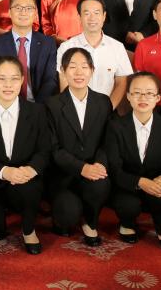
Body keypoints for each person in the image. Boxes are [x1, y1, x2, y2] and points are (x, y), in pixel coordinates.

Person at [0, 57, 52, 254]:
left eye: (14, 79)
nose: (8, 85)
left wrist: (30, 170)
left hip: (25, 179)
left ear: (22, 80)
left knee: (29, 192)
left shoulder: (37, 111)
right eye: (1, 79)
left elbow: (44, 150)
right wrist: (5, 172)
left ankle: (28, 229)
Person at [105, 72, 161, 248]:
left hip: (156, 182)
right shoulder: (115, 126)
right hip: (127, 183)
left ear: (158, 98)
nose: (143, 98)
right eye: (137, 93)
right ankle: (127, 224)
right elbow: (114, 169)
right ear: (128, 96)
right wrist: (139, 182)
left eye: (149, 93)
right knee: (128, 205)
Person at [45, 48, 113, 246]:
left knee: (101, 184)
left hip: (93, 170)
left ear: (92, 70)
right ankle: (64, 216)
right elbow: (53, 149)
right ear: (63, 71)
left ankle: (90, 222)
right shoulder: (52, 105)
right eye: (72, 67)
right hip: (63, 174)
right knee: (67, 214)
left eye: (84, 67)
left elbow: (107, 141)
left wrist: (99, 165)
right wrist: (81, 168)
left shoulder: (103, 102)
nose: (79, 72)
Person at [56, 0, 133, 109]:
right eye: (87, 13)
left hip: (108, 110)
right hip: (75, 110)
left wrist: (107, 109)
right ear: (79, 17)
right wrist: (73, 110)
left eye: (96, 13)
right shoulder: (66, 47)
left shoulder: (117, 47)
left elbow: (121, 82)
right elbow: (64, 81)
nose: (92, 18)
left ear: (104, 16)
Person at [0, 0, 57, 101]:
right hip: (8, 102)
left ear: (35, 13)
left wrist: (37, 107)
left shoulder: (48, 43)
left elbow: (50, 80)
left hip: (39, 104)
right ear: (9, 12)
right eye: (18, 8)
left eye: (29, 8)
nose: (23, 12)